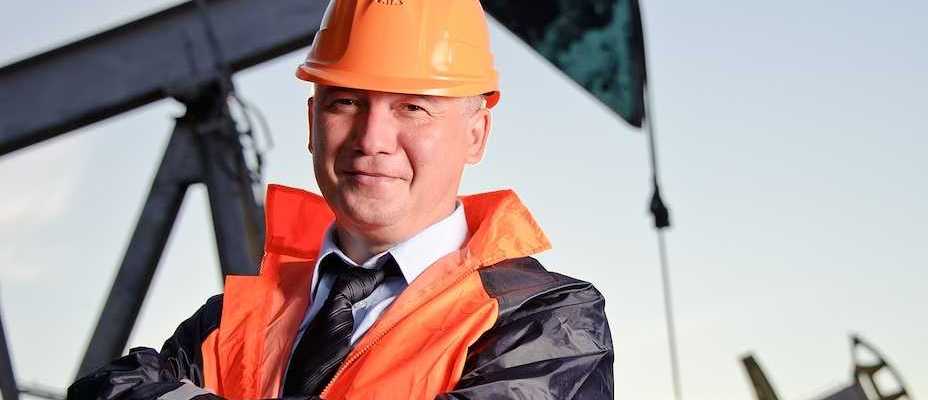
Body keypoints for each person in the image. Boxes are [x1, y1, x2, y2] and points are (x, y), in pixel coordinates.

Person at [67, 0, 614, 398]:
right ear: (311, 123)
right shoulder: (241, 314)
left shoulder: (546, 324)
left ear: (476, 135)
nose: (371, 139)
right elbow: (109, 389)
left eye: (413, 108)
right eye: (346, 102)